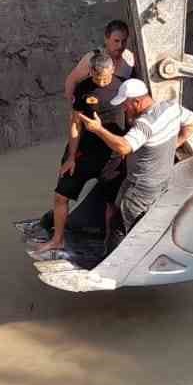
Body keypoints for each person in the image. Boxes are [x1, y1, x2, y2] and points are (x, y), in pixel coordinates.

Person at [32, 50, 124, 256]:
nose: (102, 82)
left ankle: (110, 248)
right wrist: (71, 156)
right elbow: (75, 124)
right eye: (98, 78)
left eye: (107, 77)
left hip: (112, 156)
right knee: (60, 194)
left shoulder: (123, 87)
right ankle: (58, 240)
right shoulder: (83, 88)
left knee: (111, 203)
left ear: (113, 71)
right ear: (90, 71)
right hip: (85, 151)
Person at [80, 78, 193, 234]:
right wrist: (175, 144)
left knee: (121, 228)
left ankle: (117, 258)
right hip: (158, 180)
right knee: (116, 209)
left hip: (141, 187)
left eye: (125, 104)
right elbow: (192, 121)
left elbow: (123, 147)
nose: (123, 108)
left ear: (137, 102)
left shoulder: (145, 125)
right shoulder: (171, 108)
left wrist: (98, 129)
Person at [63, 19, 134, 132]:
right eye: (116, 41)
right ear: (106, 39)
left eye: (124, 41)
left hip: (118, 116)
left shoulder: (129, 58)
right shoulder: (92, 59)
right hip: (94, 113)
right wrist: (74, 111)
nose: (120, 45)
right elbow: (71, 80)